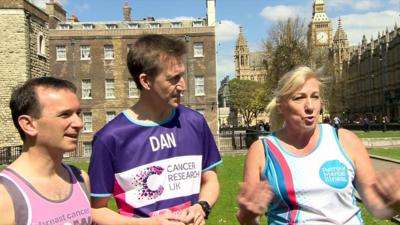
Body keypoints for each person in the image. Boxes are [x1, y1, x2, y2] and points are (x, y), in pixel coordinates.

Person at [236, 66, 400, 224]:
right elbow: (248, 217)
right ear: (281, 106)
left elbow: (376, 207)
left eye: (315, 96)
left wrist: (396, 202)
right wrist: (247, 216)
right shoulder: (262, 151)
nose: (310, 106)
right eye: (299, 98)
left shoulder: (346, 141)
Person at [89, 34, 222, 225]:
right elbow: (96, 210)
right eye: (173, 79)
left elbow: (211, 180)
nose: (183, 86)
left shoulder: (195, 122)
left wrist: (201, 206)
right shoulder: (110, 138)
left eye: (182, 76)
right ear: (146, 81)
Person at [0, 77, 92, 225]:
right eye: (65, 115)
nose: (79, 123)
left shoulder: (80, 179)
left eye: (78, 113)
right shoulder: (5, 195)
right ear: (29, 124)